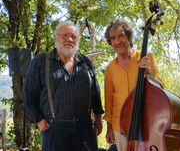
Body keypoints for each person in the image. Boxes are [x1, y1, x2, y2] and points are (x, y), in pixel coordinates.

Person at [22, 22, 104, 151]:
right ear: (56, 38)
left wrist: (98, 117)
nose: (70, 39)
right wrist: (39, 120)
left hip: (84, 128)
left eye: (73, 36)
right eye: (65, 35)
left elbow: (95, 92)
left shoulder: (85, 62)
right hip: (55, 129)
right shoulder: (40, 61)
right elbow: (28, 94)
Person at [103, 19, 164, 151]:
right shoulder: (109, 69)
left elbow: (161, 90)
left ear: (129, 37)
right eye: (113, 38)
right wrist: (109, 128)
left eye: (121, 35)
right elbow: (109, 102)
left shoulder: (146, 57)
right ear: (110, 42)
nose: (117, 41)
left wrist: (149, 73)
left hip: (146, 125)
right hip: (120, 128)